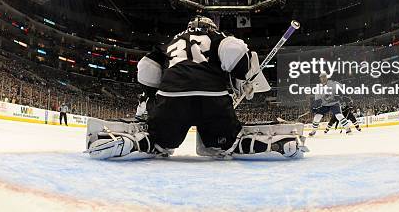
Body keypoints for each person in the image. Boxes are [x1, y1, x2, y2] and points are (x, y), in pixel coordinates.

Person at [86, 16, 307, 160]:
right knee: (230, 143)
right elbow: (236, 52)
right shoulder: (217, 36)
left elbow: (146, 67)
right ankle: (277, 145)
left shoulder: (170, 42)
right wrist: (245, 79)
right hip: (212, 97)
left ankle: (131, 143)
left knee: (159, 142)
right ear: (211, 26)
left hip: (171, 96)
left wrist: (150, 100)